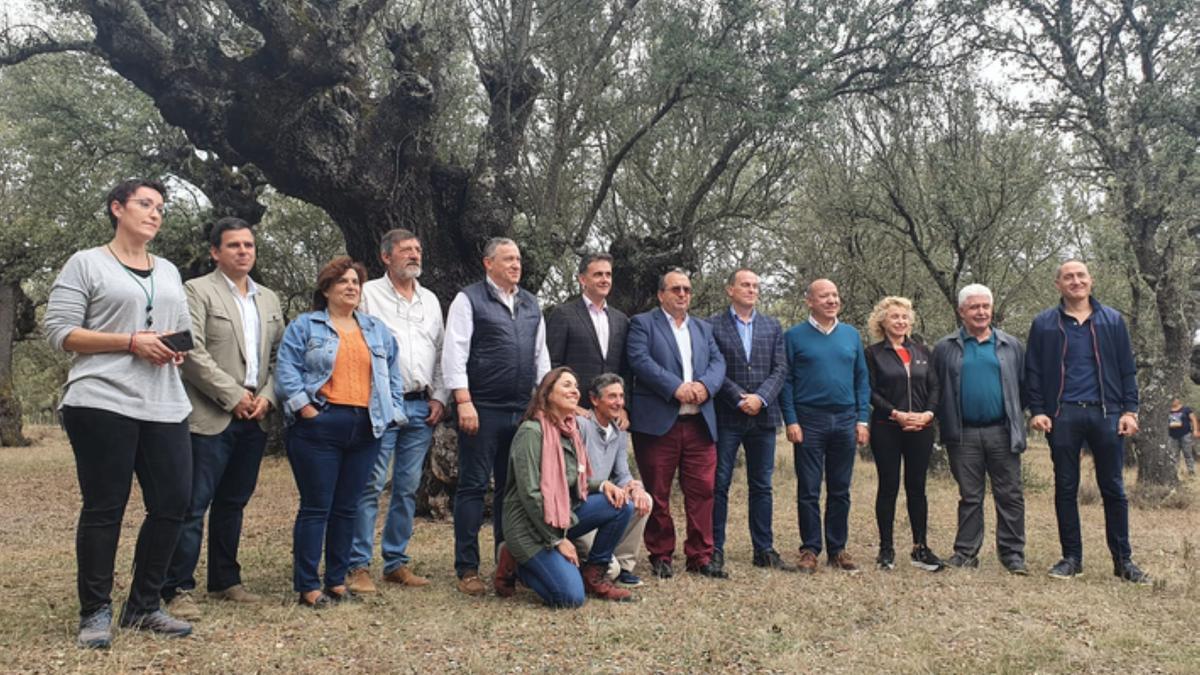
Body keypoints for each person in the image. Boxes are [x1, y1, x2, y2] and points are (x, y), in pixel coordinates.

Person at [45, 178, 194, 648]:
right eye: (144, 204)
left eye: (160, 208)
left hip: (165, 401)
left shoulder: (168, 270)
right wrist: (130, 341)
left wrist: (174, 349)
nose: (155, 213)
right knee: (105, 507)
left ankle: (144, 605)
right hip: (101, 399)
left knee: (173, 503)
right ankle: (95, 611)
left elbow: (182, 328)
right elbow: (59, 331)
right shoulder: (87, 263)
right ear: (117, 208)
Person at [162, 217, 285, 620]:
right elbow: (189, 351)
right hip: (209, 415)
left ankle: (226, 579)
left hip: (255, 417)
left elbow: (279, 357)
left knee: (233, 502)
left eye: (248, 245)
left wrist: (265, 397)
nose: (243, 252)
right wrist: (233, 396)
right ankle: (178, 587)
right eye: (233, 246)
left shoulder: (268, 298)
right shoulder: (195, 291)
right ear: (215, 252)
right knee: (193, 504)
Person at [275, 257, 408, 608]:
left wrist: (393, 411)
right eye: (343, 282)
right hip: (319, 425)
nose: (351, 287)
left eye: (355, 282)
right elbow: (286, 369)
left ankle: (336, 580)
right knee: (317, 507)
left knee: (347, 508)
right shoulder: (305, 326)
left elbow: (393, 373)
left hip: (366, 427)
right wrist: (305, 409)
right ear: (326, 289)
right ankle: (308, 585)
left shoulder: (376, 330)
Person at [1026, 260, 1151, 583]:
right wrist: (1037, 409)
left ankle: (1123, 561)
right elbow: (1034, 372)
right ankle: (1071, 558)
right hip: (1062, 414)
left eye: (1081, 275)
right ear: (1058, 284)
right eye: (1068, 277)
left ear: (1090, 281)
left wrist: (1130, 410)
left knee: (1114, 488)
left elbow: (1127, 368)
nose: (1076, 281)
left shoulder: (1112, 321)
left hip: (1106, 414)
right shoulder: (1044, 324)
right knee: (1065, 487)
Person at [442, 237, 550, 595]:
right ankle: (467, 568)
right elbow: (454, 351)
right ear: (488, 263)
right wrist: (463, 400)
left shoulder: (531, 303)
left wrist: (544, 402)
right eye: (508, 259)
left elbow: (540, 356)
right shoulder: (468, 299)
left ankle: (507, 566)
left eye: (518, 258)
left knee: (512, 491)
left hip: (521, 410)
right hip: (481, 408)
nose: (516, 265)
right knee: (473, 487)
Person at [347, 229, 448, 593]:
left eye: (418, 250)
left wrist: (440, 396)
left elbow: (439, 351)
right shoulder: (368, 294)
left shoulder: (431, 300)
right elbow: (355, 345)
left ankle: (395, 562)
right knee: (370, 485)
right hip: (380, 405)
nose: (414, 255)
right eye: (406, 250)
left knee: (407, 487)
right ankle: (358, 565)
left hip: (421, 406)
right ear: (386, 256)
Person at [493, 368, 635, 606]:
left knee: (621, 504)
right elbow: (531, 494)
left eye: (576, 386)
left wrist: (603, 485)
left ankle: (595, 574)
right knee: (570, 598)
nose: (574, 391)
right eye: (567, 385)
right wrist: (557, 540)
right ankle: (517, 564)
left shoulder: (569, 430)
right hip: (528, 526)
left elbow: (571, 478)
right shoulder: (531, 432)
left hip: (561, 513)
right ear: (547, 394)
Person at [626, 268, 727, 579]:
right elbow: (640, 360)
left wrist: (704, 386)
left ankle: (701, 555)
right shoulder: (643, 324)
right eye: (675, 289)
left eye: (686, 289)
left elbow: (717, 362)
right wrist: (675, 387)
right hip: (659, 424)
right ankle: (661, 554)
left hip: (699, 423)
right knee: (658, 492)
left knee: (703, 491)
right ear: (661, 295)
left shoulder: (702, 328)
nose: (682, 294)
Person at [931, 284, 1027, 575]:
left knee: (1010, 494)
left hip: (1002, 431)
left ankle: (1012, 554)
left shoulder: (1011, 346)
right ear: (962, 311)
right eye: (974, 307)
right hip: (963, 433)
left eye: (986, 306)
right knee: (970, 495)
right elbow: (935, 388)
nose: (981, 312)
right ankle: (965, 552)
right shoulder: (945, 347)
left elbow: (1023, 387)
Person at [779, 279, 870, 574]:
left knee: (840, 488)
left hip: (844, 419)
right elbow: (787, 381)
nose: (832, 300)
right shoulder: (794, 336)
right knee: (808, 488)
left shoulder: (851, 335)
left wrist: (862, 418)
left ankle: (837, 548)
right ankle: (810, 548)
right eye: (824, 296)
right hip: (809, 420)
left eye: (835, 294)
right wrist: (791, 419)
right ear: (810, 301)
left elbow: (861, 379)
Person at [707, 269, 793, 574]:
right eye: (745, 284)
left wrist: (761, 398)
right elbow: (712, 366)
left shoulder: (772, 326)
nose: (751, 290)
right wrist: (739, 397)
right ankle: (714, 549)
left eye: (756, 286)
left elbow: (780, 369)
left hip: (764, 415)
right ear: (730, 289)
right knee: (719, 484)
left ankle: (764, 549)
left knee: (762, 485)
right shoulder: (712, 325)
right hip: (727, 414)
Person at [863, 297, 943, 572]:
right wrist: (895, 413)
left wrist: (928, 414)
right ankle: (886, 549)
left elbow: (935, 387)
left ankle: (920, 547)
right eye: (894, 316)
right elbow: (870, 391)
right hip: (888, 427)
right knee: (889, 487)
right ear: (883, 321)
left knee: (917, 487)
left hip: (921, 428)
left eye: (905, 317)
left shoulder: (923, 351)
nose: (900, 321)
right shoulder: (873, 353)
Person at [572, 374, 653, 586]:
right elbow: (574, 474)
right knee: (610, 570)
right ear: (594, 399)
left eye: (621, 396)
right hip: (581, 505)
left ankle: (625, 566)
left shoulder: (619, 432)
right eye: (612, 397)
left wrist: (635, 487)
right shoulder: (581, 426)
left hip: (607, 501)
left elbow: (622, 473)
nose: (618, 402)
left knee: (644, 499)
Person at [546, 251, 630, 406]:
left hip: (610, 413)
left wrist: (624, 409)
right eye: (598, 274)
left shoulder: (621, 320)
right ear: (582, 279)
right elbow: (552, 365)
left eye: (608, 275)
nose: (605, 280)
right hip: (572, 411)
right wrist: (569, 406)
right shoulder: (563, 314)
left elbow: (625, 369)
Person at [1167, 398, 1197, 476]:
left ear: (1178, 400)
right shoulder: (1166, 410)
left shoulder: (1186, 409)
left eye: (1175, 399)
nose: (1174, 401)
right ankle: (1174, 473)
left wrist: (1195, 430)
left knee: (1187, 453)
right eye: (1172, 399)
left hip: (1185, 434)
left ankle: (1191, 471)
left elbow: (1193, 419)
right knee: (1174, 455)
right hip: (1172, 435)